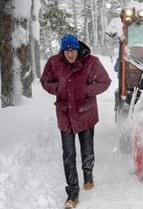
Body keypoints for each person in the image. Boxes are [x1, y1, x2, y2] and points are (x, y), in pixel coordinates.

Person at [40, 34, 111, 209]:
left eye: (73, 50)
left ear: (78, 49)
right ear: (63, 50)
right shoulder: (54, 63)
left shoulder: (91, 62)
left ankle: (88, 174)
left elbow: (105, 81)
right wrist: (57, 88)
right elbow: (45, 81)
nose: (70, 54)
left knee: (87, 149)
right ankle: (73, 192)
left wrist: (86, 90)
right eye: (67, 50)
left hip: (85, 112)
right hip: (65, 114)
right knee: (69, 154)